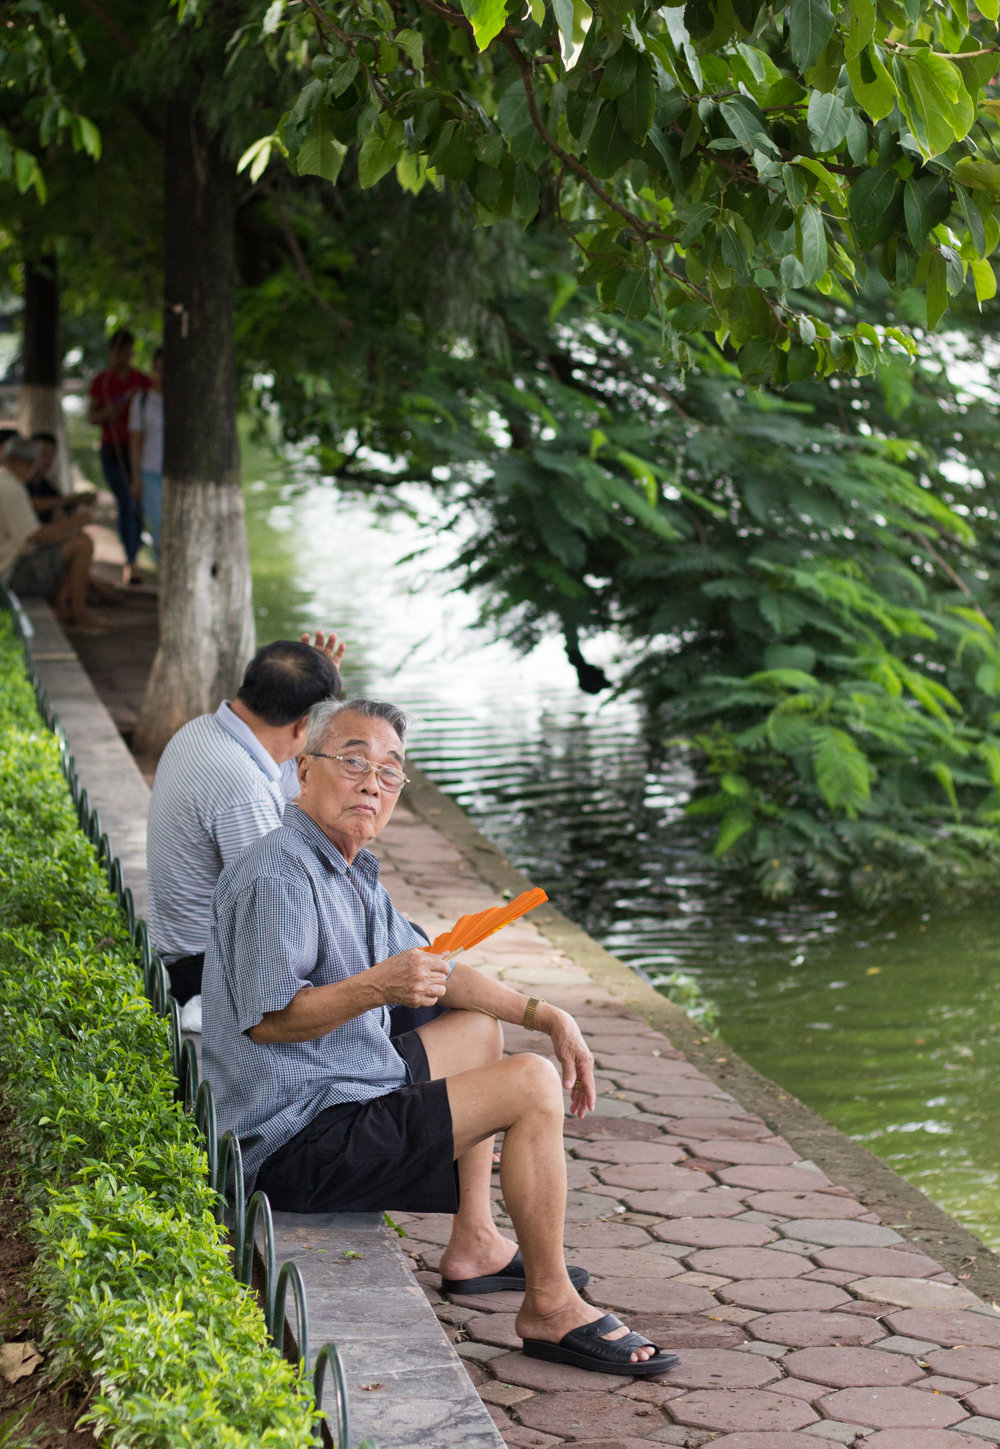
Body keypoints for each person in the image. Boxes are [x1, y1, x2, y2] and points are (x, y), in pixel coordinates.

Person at [202, 697, 680, 1378]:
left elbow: (440, 972)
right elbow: (271, 1019)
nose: (372, 782)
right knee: (532, 1083)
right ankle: (549, 1305)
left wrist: (545, 1013)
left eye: (389, 772)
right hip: (294, 1144)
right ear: (303, 769)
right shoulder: (281, 872)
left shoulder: (345, 866)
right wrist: (379, 986)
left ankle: (476, 1242)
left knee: (480, 1031)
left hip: (339, 1091)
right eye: (353, 761)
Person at [146, 632, 345, 1033]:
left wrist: (318, 689)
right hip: (206, 972)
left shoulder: (204, 731)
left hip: (188, 948)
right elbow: (278, 912)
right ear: (305, 724)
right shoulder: (242, 791)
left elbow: (286, 780)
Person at [0, 436, 108, 634]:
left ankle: (64, 608)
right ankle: (78, 615)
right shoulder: (10, 487)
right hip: (10, 573)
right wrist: (76, 522)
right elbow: (35, 536)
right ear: (31, 463)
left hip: (14, 565)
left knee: (71, 542)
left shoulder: (7, 481)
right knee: (82, 544)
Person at [87, 328, 149, 585]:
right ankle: (131, 562)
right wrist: (109, 412)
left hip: (139, 452)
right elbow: (92, 417)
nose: (125, 356)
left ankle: (134, 554)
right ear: (112, 351)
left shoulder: (141, 381)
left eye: (128, 350)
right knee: (127, 502)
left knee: (137, 505)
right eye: (120, 351)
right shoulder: (101, 381)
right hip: (113, 450)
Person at [128, 348, 163, 557]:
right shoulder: (142, 401)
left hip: (178, 475)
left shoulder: (184, 401)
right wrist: (135, 478)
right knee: (158, 525)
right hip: (150, 473)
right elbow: (135, 442)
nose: (162, 375)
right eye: (158, 369)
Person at [26, 432, 97, 522]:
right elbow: (36, 504)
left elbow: (57, 502)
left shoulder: (45, 484)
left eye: (52, 454)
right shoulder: (23, 481)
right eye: (43, 453)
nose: (48, 459)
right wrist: (77, 499)